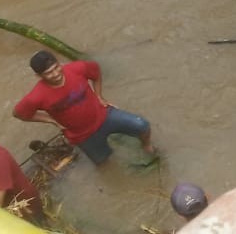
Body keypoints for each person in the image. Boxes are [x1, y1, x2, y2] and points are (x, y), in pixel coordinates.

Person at [13, 50, 155, 165]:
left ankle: (146, 145)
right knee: (102, 161)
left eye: (56, 67)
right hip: (82, 135)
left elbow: (96, 72)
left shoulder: (77, 68)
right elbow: (20, 114)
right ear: (38, 76)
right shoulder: (37, 96)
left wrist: (99, 96)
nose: (56, 74)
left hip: (104, 115)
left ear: (59, 63)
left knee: (142, 125)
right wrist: (50, 119)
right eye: (49, 73)